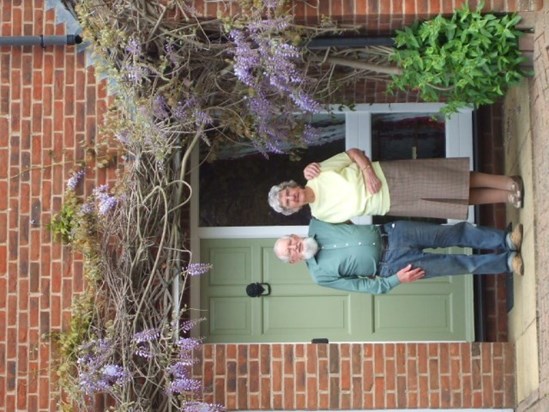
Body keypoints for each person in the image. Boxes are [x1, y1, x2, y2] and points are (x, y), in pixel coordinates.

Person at [273, 219, 524, 295]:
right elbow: (361, 284)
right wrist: (395, 280)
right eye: (290, 252)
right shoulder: (320, 275)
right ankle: (506, 262)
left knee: (453, 233)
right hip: (392, 266)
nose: (295, 247)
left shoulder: (318, 222)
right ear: (294, 261)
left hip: (395, 233)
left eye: (291, 242)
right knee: (455, 265)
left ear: (294, 235)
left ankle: (505, 240)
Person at [268, 149, 524, 223]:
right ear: (293, 209)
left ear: (291, 186)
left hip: (389, 177)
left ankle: (508, 182)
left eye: (288, 193)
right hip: (390, 204)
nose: (292, 197)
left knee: (451, 179)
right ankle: (504, 197)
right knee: (453, 200)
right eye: (288, 202)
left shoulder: (317, 173)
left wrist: (367, 172)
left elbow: (353, 153)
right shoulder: (320, 214)